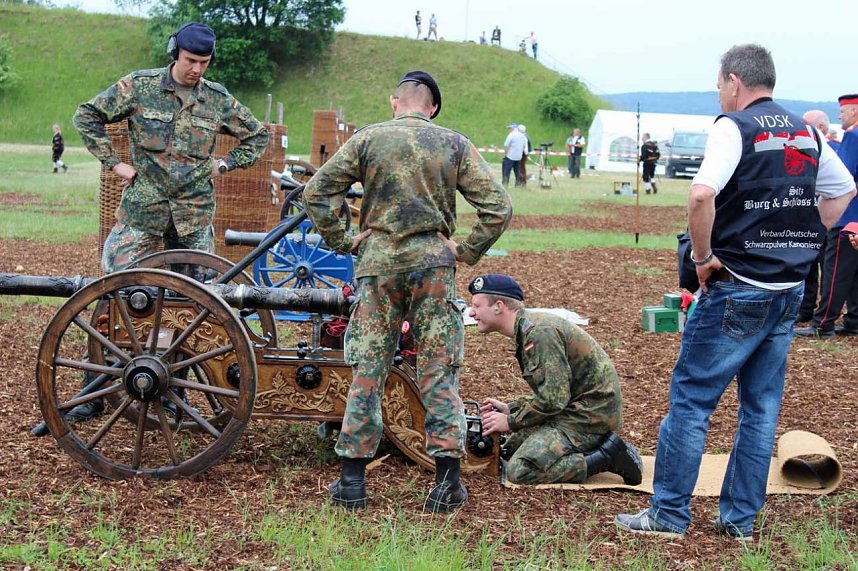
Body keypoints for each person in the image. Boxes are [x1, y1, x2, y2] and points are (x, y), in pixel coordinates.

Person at [615, 44, 855, 541]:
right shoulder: (808, 131)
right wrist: (808, 237)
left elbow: (702, 193)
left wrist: (702, 258)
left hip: (737, 285)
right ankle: (739, 521)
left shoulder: (734, 127)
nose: (719, 93)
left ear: (733, 82)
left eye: (719, 85)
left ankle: (669, 514)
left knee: (692, 401)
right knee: (760, 410)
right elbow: (844, 188)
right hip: (788, 288)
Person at [302, 70, 513, 512]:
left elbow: (316, 191)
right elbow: (498, 207)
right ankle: (446, 485)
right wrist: (466, 250)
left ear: (394, 102)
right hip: (432, 268)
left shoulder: (367, 139)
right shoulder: (454, 144)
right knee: (438, 369)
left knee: (368, 370)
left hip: (377, 268)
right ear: (432, 107)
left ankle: (352, 482)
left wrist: (342, 240)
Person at [69, 22, 268, 421]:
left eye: (204, 63)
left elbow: (257, 136)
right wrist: (116, 164)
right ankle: (95, 390)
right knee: (112, 292)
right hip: (143, 211)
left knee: (194, 303)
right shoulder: (139, 87)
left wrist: (224, 164)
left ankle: (175, 390)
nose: (197, 69)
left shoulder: (216, 99)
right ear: (175, 52)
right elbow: (87, 115)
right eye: (191, 60)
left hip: (193, 217)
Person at [469, 274, 643, 486]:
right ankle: (591, 448)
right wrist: (511, 409)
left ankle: (607, 456)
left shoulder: (539, 333)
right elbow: (554, 391)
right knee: (511, 448)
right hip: (575, 409)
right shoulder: (529, 329)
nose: (471, 312)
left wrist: (511, 421)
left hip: (589, 417)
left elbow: (554, 399)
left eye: (476, 306)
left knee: (520, 470)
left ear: (498, 307)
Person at [795, 94, 858, 338]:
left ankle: (823, 324)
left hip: (847, 215)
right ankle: (853, 320)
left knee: (835, 273)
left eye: (843, 111)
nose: (840, 116)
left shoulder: (853, 136)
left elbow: (843, 175)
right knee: (854, 274)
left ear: (854, 111)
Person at [796, 110, 836, 321]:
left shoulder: (834, 149)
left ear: (819, 128)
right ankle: (805, 308)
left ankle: (825, 310)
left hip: (828, 214)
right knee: (808, 264)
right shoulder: (804, 149)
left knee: (827, 267)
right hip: (807, 213)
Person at [502, 122, 526, 186]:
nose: (509, 130)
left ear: (513, 128)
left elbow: (506, 145)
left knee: (506, 172)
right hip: (518, 157)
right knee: (517, 172)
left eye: (509, 128)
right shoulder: (522, 136)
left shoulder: (511, 135)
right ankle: (518, 184)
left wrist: (506, 155)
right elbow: (523, 146)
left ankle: (505, 184)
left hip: (510, 157)